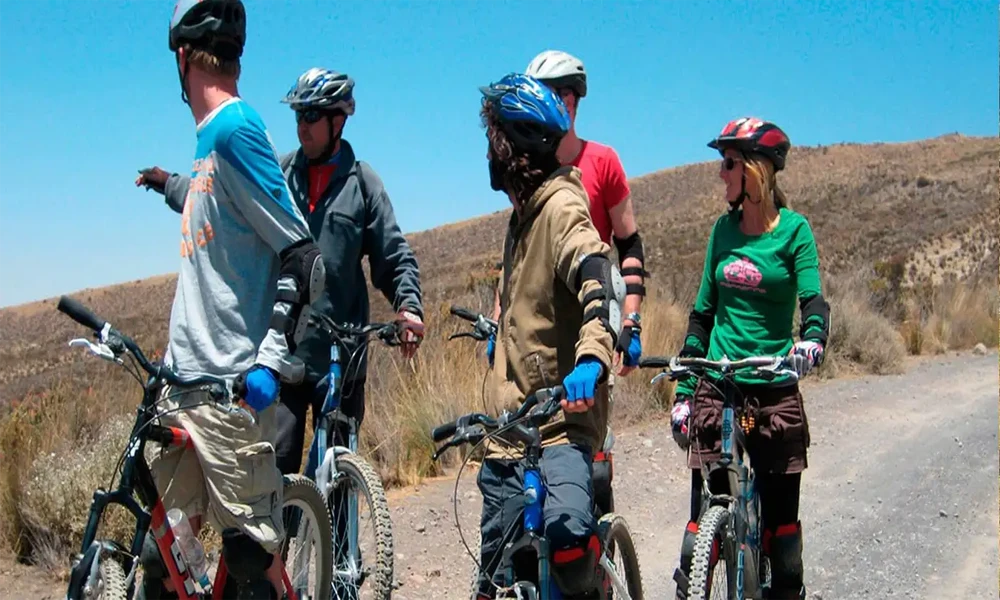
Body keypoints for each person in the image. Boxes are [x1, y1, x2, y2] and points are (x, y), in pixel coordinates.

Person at [133, 1, 323, 599]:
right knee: (164, 559)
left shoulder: (237, 129)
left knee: (250, 563)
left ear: (183, 57)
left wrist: (268, 357)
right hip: (181, 388)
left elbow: (303, 256)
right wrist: (167, 184)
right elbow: (215, 204)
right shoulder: (209, 142)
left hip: (227, 395)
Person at [669, 117, 830, 600]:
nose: (721, 173)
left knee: (783, 541)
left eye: (729, 163)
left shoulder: (795, 232)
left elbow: (813, 301)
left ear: (756, 171)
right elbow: (701, 315)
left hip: (774, 383)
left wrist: (812, 340)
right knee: (699, 532)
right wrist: (682, 392)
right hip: (719, 381)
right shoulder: (722, 232)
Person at [475, 72, 622, 600]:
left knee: (566, 539)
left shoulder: (560, 209)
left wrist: (592, 359)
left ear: (514, 147)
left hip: (562, 421)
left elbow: (597, 279)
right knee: (496, 572)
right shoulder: (520, 219)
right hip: (509, 428)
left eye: (493, 140)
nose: (487, 154)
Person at [273, 67, 424, 477]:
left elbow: (392, 255)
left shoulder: (362, 183)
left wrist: (408, 306)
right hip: (284, 350)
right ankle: (279, 542)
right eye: (298, 116)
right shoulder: (281, 176)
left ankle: (340, 543)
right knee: (276, 474)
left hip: (343, 353)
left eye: (311, 116)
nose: (301, 127)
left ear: (337, 120)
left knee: (335, 476)